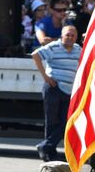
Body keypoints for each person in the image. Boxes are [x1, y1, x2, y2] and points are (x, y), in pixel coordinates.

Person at [31, 24, 81, 162]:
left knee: (66, 122)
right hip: (54, 88)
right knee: (51, 121)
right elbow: (36, 55)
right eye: (67, 35)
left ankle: (46, 146)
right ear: (61, 36)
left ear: (76, 37)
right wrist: (45, 77)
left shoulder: (78, 50)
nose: (70, 38)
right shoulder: (54, 47)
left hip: (69, 91)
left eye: (72, 35)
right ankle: (49, 153)